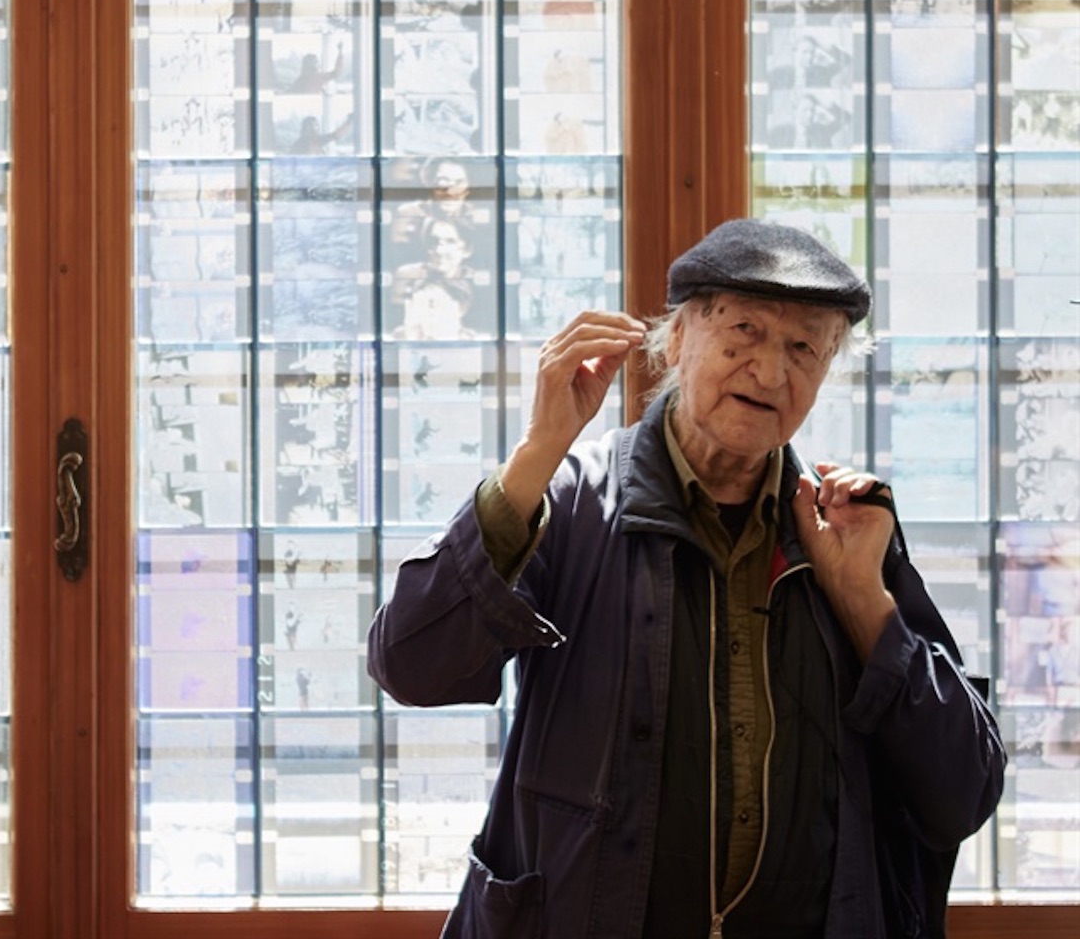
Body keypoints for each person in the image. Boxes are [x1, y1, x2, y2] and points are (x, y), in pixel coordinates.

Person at [368, 218, 1003, 938]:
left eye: (804, 348)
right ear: (675, 340)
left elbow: (963, 793)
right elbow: (411, 666)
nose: (770, 372)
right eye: (743, 331)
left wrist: (863, 599)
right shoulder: (572, 500)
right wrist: (537, 453)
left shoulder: (842, 529)